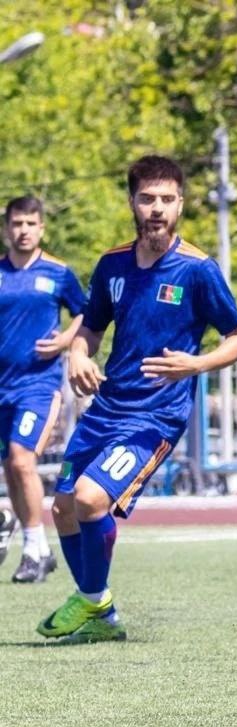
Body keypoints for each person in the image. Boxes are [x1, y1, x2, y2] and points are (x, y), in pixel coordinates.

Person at [35, 155, 237, 644]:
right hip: (107, 408)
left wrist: (196, 365)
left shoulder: (198, 269)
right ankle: (101, 614)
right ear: (132, 202)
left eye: (167, 200)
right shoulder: (112, 264)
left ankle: (92, 601)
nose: (157, 208)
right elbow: (91, 327)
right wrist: (77, 354)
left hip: (156, 416)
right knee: (63, 508)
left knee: (90, 499)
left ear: (181, 205)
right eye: (148, 198)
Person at [0, 196, 86, 583]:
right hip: (2, 387)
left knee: (22, 460)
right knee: (11, 468)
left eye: (30, 223)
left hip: (38, 385)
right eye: (17, 223)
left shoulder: (58, 272)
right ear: (7, 228)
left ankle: (34, 548)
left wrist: (67, 339)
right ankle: (39, 550)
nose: (24, 230)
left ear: (41, 228)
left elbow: (88, 312)